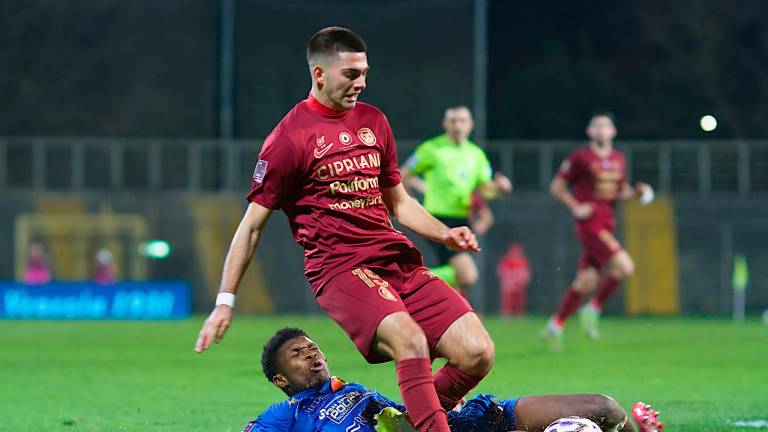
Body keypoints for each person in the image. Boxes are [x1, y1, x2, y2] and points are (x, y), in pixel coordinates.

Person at [194, 27, 495, 432]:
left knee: (477, 352)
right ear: (319, 74)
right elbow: (250, 228)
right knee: (410, 341)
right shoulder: (288, 139)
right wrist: (225, 299)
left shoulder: (374, 121)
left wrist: (444, 233)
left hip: (394, 261)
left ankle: (404, 424)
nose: (362, 83)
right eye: (351, 74)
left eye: (365, 72)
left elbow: (400, 203)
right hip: (340, 270)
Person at [242, 327, 664, 432]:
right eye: (298, 354)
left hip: (449, 424)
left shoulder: (353, 391)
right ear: (280, 379)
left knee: (604, 408)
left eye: (313, 347)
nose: (312, 354)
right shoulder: (287, 413)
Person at [543, 112, 654, 348]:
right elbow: (556, 186)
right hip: (590, 224)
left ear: (613, 131)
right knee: (625, 266)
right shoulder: (581, 157)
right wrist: (576, 207)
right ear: (589, 131)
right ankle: (592, 310)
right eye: (597, 126)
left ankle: (555, 325)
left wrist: (636, 193)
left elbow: (619, 191)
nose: (602, 130)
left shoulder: (618, 158)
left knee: (585, 281)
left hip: (607, 223)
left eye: (606, 126)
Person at [401, 107, 512, 294]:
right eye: (453, 121)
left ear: (470, 125)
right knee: (468, 275)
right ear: (445, 124)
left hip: (462, 221)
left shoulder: (476, 155)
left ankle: (442, 316)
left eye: (462, 121)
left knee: (459, 284)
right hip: (437, 219)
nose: (457, 125)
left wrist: (500, 189)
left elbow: (486, 191)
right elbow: (404, 174)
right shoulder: (432, 148)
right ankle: (407, 279)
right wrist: (408, 201)